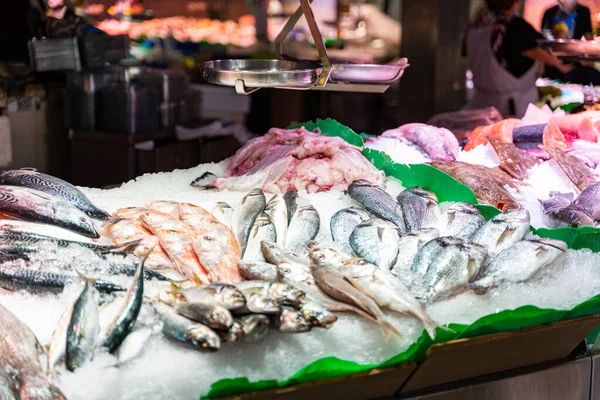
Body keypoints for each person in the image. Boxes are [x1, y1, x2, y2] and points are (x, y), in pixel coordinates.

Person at [464, 0, 573, 117]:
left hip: (479, 104)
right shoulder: (515, 25)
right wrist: (560, 64)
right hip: (511, 109)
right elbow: (536, 51)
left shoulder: (475, 24)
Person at [541, 1, 600, 85]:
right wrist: (559, 65)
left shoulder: (583, 11)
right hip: (554, 62)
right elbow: (544, 41)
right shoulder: (550, 12)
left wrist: (587, 60)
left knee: (593, 76)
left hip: (575, 61)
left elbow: (588, 37)